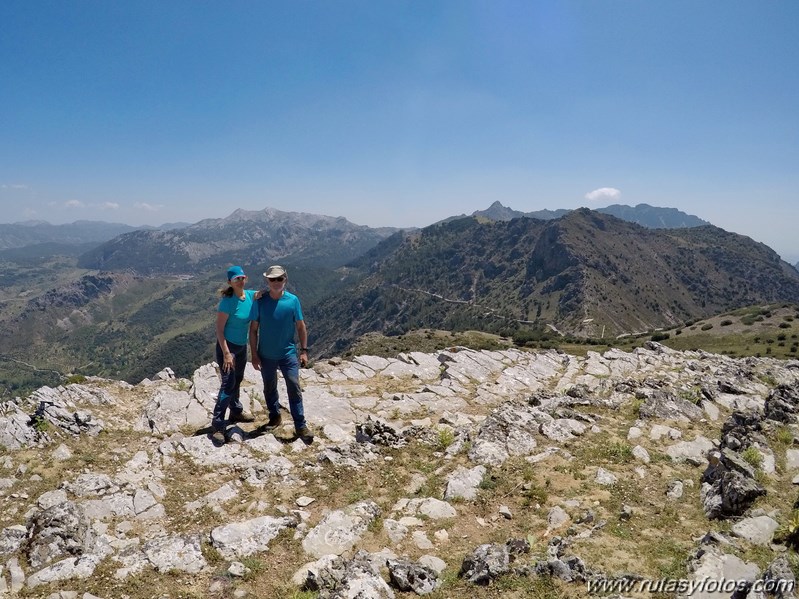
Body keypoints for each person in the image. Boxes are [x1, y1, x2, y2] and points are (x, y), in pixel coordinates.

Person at [248, 265, 312, 441]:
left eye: (279, 279)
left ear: (285, 280)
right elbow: (253, 329)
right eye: (272, 279)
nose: (276, 282)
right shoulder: (259, 301)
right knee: (269, 387)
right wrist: (254, 354)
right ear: (267, 281)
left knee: (294, 386)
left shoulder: (293, 301)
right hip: (266, 355)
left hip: (288, 354)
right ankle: (274, 416)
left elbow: (301, 326)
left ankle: (300, 425)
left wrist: (304, 351)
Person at [210, 265, 256, 445]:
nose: (240, 280)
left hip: (241, 347)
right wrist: (227, 354)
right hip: (228, 349)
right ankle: (218, 425)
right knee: (228, 385)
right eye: (236, 279)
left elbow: (268, 293)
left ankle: (235, 410)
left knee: (237, 380)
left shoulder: (251, 296)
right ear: (230, 282)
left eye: (242, 277)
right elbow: (219, 331)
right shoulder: (227, 303)